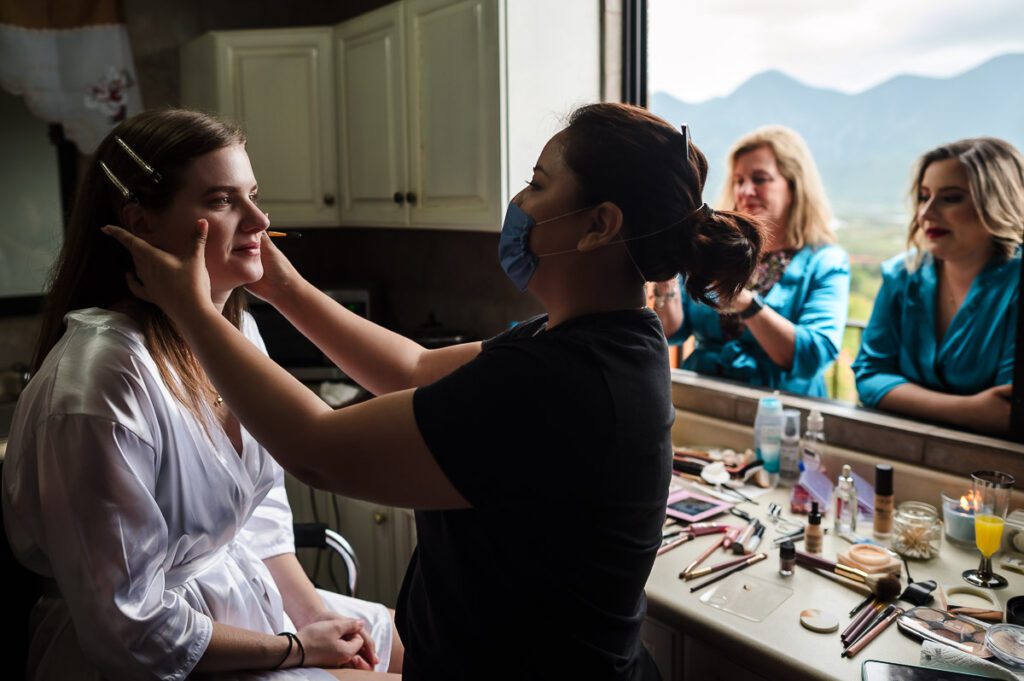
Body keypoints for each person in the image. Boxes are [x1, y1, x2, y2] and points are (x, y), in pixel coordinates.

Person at [104, 103, 763, 679]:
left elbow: (314, 448)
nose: (520, 202)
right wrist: (282, 289)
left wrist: (191, 310)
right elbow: (416, 367)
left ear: (599, 225)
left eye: (538, 184)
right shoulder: (604, 338)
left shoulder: (563, 382)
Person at [1, 109, 402, 680]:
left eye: (254, 195)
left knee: (446, 644)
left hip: (254, 605)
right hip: (159, 655)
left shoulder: (235, 333)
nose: (259, 220)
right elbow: (129, 628)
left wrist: (313, 614)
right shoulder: (101, 385)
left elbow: (260, 514)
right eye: (221, 200)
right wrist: (300, 648)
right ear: (141, 224)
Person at [651, 125, 850, 397]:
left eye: (760, 179)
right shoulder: (715, 246)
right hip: (705, 403)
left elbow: (813, 354)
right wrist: (665, 275)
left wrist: (743, 301)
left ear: (794, 185)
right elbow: (674, 331)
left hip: (782, 412)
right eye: (738, 180)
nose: (745, 190)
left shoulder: (826, 262)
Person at [852, 137, 1022, 436]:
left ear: (996, 201)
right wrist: (970, 410)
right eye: (923, 196)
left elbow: (1007, 412)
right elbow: (869, 377)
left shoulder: (1016, 283)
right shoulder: (902, 275)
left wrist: (900, 395)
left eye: (951, 197)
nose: (926, 213)